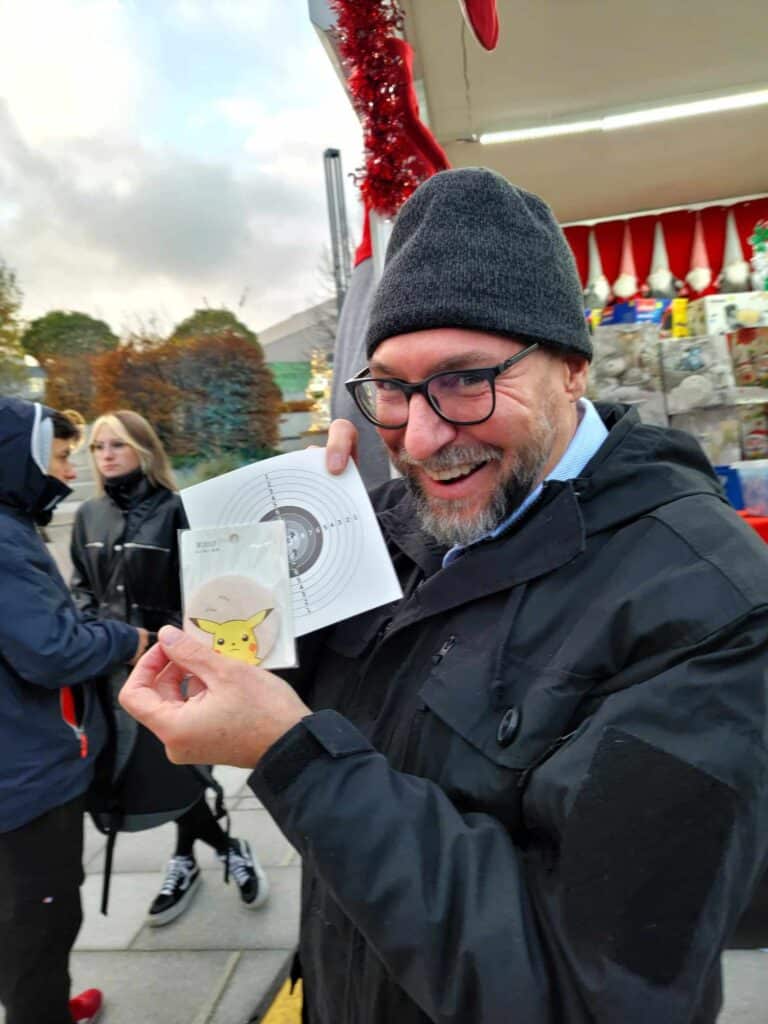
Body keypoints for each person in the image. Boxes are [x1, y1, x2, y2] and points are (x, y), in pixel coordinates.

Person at [120, 168, 768, 1024]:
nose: (420, 439)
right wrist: (277, 535)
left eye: (466, 379)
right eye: (392, 386)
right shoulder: (390, 522)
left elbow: (585, 994)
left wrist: (295, 760)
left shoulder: (711, 609)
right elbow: (324, 696)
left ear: (571, 368)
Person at [70, 409, 268, 924]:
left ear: (143, 448)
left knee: (178, 765)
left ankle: (207, 852)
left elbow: (201, 589)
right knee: (144, 774)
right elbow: (82, 588)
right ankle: (209, 851)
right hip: (108, 668)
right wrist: (97, 635)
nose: (106, 454)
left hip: (170, 666)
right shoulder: (89, 515)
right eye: (97, 446)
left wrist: (170, 645)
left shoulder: (177, 509)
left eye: (117, 444)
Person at [0, 397, 149, 1024]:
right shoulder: (5, 541)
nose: (69, 473)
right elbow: (53, 650)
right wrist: (126, 639)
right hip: (26, 783)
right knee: (43, 917)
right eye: (62, 458)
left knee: (20, 914)